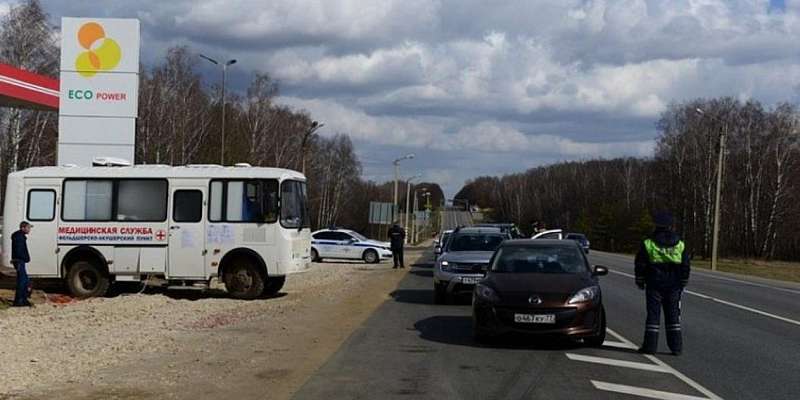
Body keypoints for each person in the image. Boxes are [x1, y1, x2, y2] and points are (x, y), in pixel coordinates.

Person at [635, 212, 690, 355]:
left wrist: (640, 280)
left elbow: (641, 263)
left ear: (656, 225)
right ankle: (676, 348)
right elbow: (685, 264)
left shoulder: (648, 243)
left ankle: (650, 347)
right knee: (673, 316)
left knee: (653, 316)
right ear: (670, 226)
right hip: (674, 285)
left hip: (654, 283)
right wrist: (683, 281)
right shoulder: (679, 243)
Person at [11, 221, 33, 307]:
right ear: (22, 228)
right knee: (22, 281)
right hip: (19, 261)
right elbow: (19, 251)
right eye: (28, 228)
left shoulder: (19, 236)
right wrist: (26, 258)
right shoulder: (19, 237)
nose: (29, 229)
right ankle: (19, 300)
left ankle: (23, 299)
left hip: (19, 261)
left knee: (25, 281)